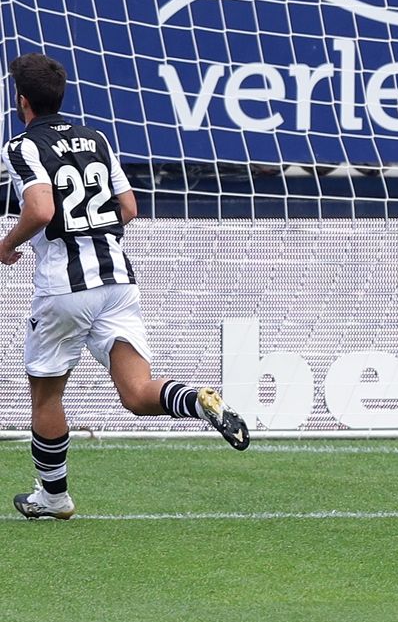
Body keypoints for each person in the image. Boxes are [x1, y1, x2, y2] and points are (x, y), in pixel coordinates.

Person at [0, 53, 249, 519]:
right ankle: (197, 400)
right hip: (117, 279)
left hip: (64, 289)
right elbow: (129, 207)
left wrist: (7, 244)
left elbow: (40, 210)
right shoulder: (96, 137)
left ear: (22, 101)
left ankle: (53, 497)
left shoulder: (21, 146)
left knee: (47, 396)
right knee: (136, 393)